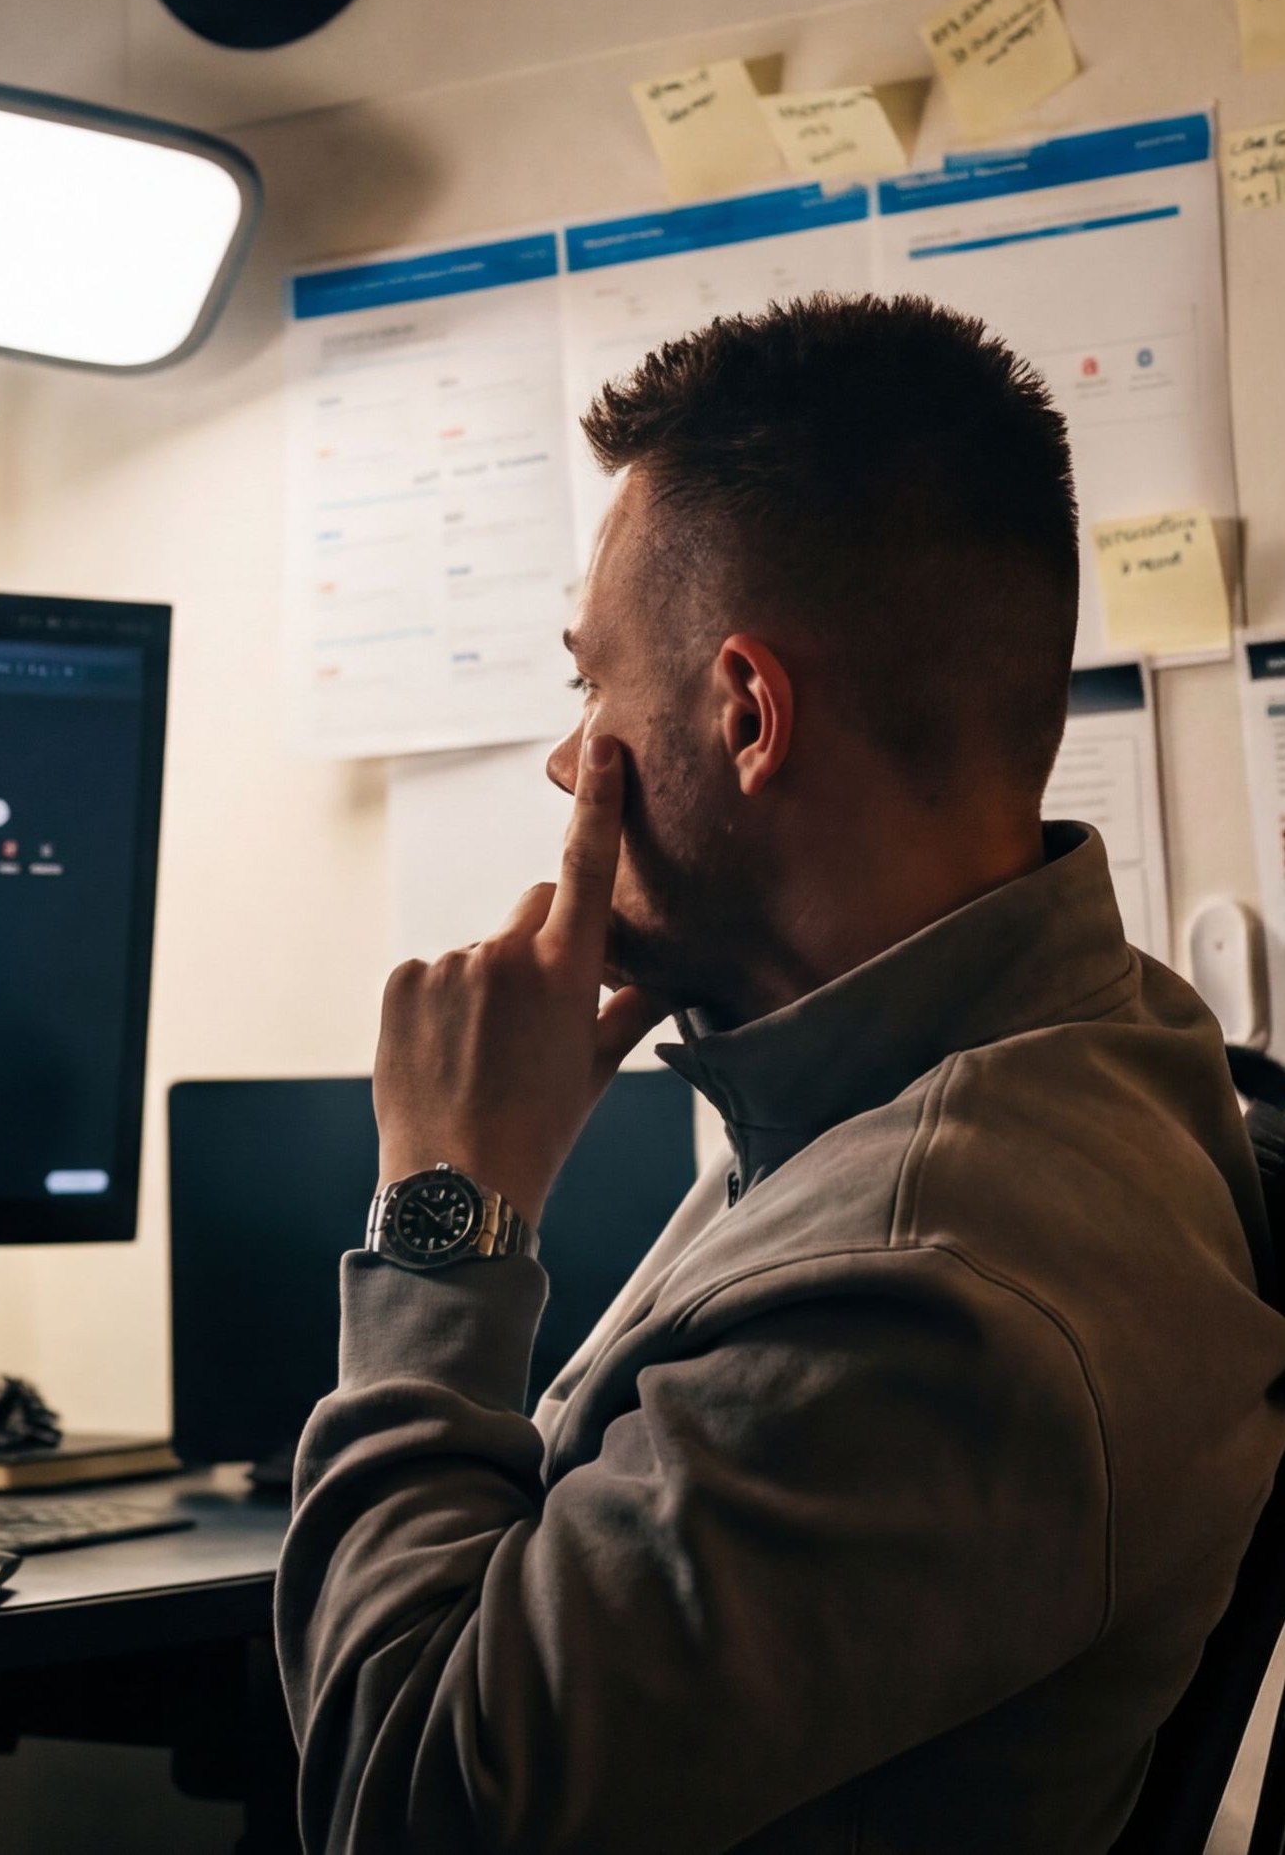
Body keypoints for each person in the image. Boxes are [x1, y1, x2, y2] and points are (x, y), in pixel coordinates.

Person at [276, 293, 1285, 1854]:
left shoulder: (931, 1278)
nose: (567, 762)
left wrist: (445, 1205)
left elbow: (408, 1806)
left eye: (585, 686)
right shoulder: (1049, 1054)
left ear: (746, 713)